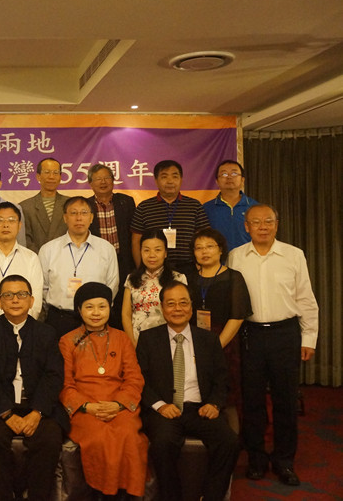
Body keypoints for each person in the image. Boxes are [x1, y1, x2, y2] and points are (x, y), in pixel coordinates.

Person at [228, 204, 319, 486]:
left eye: (268, 221)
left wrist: (309, 337)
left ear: (277, 224)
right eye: (256, 222)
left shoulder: (294, 255)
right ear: (247, 227)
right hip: (250, 335)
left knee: (285, 401)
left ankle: (284, 461)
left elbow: (306, 298)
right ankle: (256, 458)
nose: (263, 227)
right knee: (252, 400)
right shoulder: (236, 257)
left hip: (285, 334)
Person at [136, 281, 239, 501]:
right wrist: (160, 406)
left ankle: (210, 496)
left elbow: (222, 379)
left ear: (191, 307)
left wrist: (214, 404)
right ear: (162, 308)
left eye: (183, 303)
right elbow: (139, 381)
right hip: (164, 410)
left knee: (229, 441)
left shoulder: (209, 339)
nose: (178, 309)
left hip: (199, 409)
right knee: (162, 445)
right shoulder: (148, 339)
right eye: (171, 304)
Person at [0, 274, 65, 501]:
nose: (15, 300)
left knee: (49, 438)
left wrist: (37, 412)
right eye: (8, 295)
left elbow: (53, 376)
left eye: (22, 294)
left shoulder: (46, 333)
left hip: (37, 407)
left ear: (32, 300)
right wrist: (6, 414)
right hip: (0, 408)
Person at [60, 282, 147, 499]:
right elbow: (65, 384)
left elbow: (134, 378)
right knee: (100, 437)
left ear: (110, 308)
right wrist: (87, 406)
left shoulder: (122, 338)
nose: (96, 313)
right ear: (79, 310)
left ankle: (126, 495)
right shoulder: (67, 341)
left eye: (102, 306)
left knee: (130, 435)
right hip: (85, 407)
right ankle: (103, 493)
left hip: (119, 405)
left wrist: (118, 404)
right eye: (89, 307)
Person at [187, 227, 251, 430]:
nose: (204, 251)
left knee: (227, 393)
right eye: (199, 248)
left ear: (221, 249)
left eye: (209, 246)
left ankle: (232, 439)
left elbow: (237, 316)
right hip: (193, 342)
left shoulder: (233, 277)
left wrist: (216, 347)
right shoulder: (188, 278)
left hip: (225, 342)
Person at [39, 196, 119, 338]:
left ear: (91, 217)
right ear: (65, 218)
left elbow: (112, 285)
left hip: (95, 320)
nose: (79, 218)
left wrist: (97, 311)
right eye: (73, 213)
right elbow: (43, 288)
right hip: (59, 320)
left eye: (84, 213)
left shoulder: (106, 249)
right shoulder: (48, 249)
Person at [130, 159, 210, 275]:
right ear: (156, 181)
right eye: (164, 177)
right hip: (154, 268)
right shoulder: (144, 207)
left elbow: (204, 238)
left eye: (175, 176)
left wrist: (201, 265)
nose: (170, 181)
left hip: (189, 267)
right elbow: (136, 241)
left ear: (181, 180)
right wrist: (141, 269)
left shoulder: (194, 205)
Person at [86, 163, 136, 328]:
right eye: (98, 179)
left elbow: (134, 234)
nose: (103, 182)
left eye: (107, 177)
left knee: (124, 303)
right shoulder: (86, 206)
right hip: (97, 264)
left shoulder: (126, 202)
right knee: (99, 301)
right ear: (90, 183)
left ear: (113, 180)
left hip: (124, 262)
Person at [122, 230, 187, 345]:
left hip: (168, 342)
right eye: (146, 250)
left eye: (158, 250)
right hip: (138, 341)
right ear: (140, 252)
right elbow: (126, 314)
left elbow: (182, 312)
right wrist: (132, 343)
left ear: (165, 253)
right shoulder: (131, 278)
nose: (152, 255)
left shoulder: (177, 278)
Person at [202, 160, 258, 252]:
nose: (229, 177)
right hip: (217, 259)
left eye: (234, 173)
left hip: (248, 258)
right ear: (217, 181)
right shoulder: (206, 208)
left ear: (242, 180)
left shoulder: (255, 207)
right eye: (224, 174)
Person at [19, 157, 69, 253]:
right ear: (38, 176)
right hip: (35, 259)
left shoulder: (70, 205)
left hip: (66, 258)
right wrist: (40, 257)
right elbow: (25, 239)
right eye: (47, 172)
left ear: (60, 177)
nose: (51, 177)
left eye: (55, 173)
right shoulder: (24, 207)